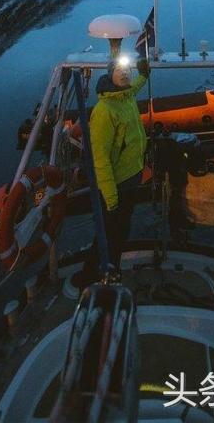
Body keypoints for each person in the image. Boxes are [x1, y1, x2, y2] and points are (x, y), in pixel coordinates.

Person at [67, 56, 149, 295]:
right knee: (110, 233)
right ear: (110, 75)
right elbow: (99, 159)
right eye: (119, 71)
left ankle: (111, 268)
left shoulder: (126, 95)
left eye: (127, 70)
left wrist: (144, 75)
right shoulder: (104, 111)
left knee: (121, 229)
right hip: (117, 185)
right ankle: (89, 276)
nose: (124, 74)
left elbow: (134, 86)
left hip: (132, 176)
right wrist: (111, 197)